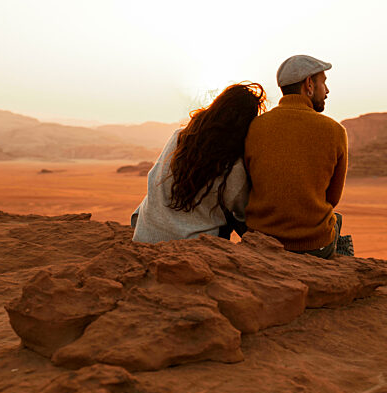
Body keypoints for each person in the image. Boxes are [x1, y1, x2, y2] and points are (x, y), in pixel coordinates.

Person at [244, 55, 352, 259]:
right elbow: (332, 199)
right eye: (324, 83)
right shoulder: (335, 131)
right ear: (309, 84)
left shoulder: (255, 126)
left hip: (261, 240)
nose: (327, 91)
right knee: (335, 220)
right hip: (313, 245)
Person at [131, 82, 267, 243]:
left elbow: (154, 177)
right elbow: (241, 211)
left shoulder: (180, 136)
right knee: (231, 215)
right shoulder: (232, 165)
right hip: (189, 243)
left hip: (145, 234)